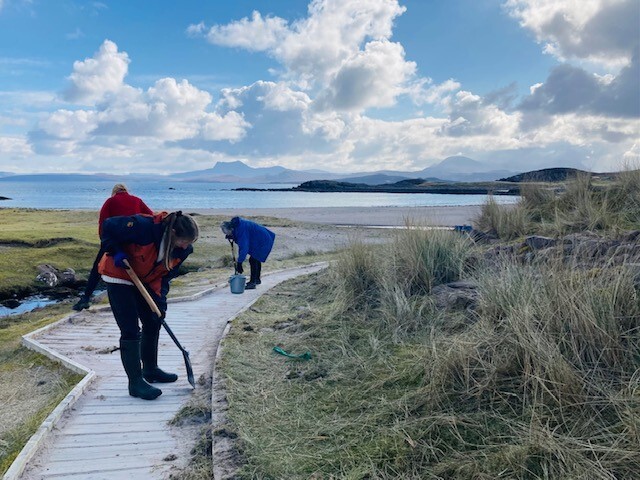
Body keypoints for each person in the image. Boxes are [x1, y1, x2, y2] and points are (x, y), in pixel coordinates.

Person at [99, 211, 199, 400]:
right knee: (130, 329)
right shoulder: (144, 227)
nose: (186, 246)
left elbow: (164, 276)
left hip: (144, 278)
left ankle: (150, 370)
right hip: (118, 273)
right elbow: (109, 225)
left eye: (189, 243)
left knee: (153, 320)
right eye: (183, 241)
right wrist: (116, 251)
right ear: (173, 232)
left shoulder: (183, 250)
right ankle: (135, 383)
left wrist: (160, 304)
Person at [73, 184, 153, 311]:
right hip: (135, 242)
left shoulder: (110, 201)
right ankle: (145, 297)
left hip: (115, 242)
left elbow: (103, 224)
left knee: (97, 268)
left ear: (114, 192)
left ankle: (86, 299)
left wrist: (105, 244)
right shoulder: (137, 200)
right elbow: (151, 217)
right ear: (126, 191)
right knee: (139, 267)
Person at [220, 217, 275, 289]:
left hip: (263, 240)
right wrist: (233, 236)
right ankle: (257, 279)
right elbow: (242, 244)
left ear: (230, 229)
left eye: (226, 232)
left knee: (253, 259)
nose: (226, 234)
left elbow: (244, 247)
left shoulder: (241, 229)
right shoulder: (237, 225)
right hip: (262, 238)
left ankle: (253, 283)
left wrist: (239, 263)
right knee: (255, 258)